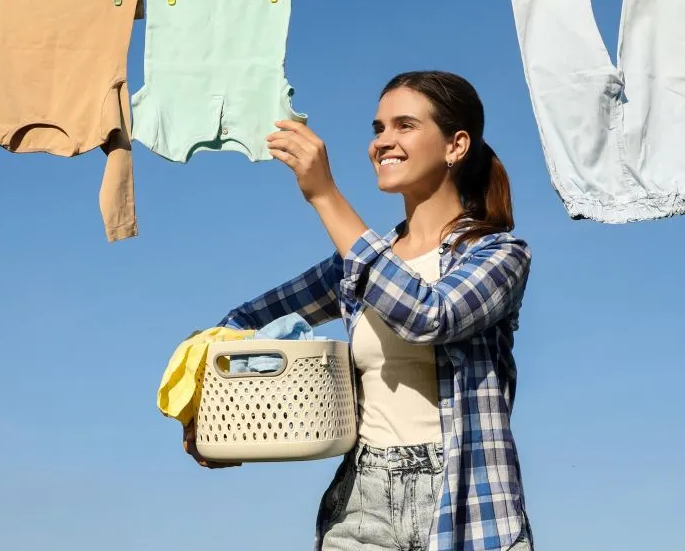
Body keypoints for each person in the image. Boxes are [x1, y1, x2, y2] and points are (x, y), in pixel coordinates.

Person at [183, 70, 535, 551]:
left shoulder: (499, 255)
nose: (382, 142)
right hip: (362, 501)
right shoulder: (355, 264)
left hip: (469, 501)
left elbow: (428, 317)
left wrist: (325, 196)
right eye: (378, 129)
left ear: (456, 145)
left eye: (404, 125)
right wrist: (206, 413)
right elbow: (242, 324)